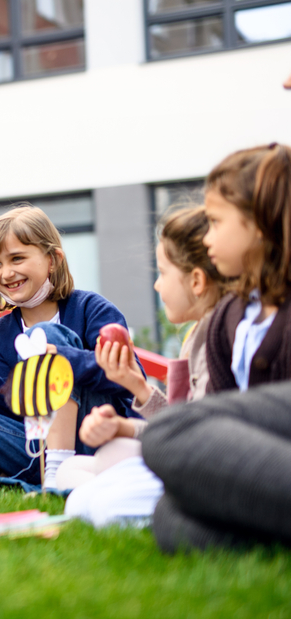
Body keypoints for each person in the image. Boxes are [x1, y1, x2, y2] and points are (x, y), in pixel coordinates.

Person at [0, 205, 138, 490]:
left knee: (47, 334)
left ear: (52, 259)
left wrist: (61, 358)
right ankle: (31, 476)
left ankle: (54, 474)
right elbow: (8, 414)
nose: (6, 273)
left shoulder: (91, 309)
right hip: (34, 446)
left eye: (17, 258)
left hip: (97, 435)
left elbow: (129, 379)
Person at [145, 143, 291, 552]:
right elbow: (222, 412)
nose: (206, 237)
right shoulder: (229, 317)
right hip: (256, 454)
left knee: (171, 429)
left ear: (259, 222)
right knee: (170, 515)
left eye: (215, 221)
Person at [63, 205, 225, 524]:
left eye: (163, 274)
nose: (157, 286)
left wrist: (124, 428)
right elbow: (179, 421)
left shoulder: (213, 339)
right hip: (183, 457)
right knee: (72, 469)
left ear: (196, 281)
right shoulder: (196, 336)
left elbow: (189, 434)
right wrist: (135, 384)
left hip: (199, 467)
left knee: (97, 473)